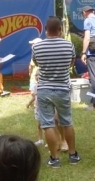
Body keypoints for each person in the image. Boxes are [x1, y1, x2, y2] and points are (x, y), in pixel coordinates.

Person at [29, 17, 79, 168]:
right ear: (60, 30)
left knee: (47, 124)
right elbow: (71, 63)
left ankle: (54, 159)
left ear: (46, 30)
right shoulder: (68, 45)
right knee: (67, 121)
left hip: (44, 89)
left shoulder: (37, 47)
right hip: (62, 88)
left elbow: (36, 64)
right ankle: (72, 155)